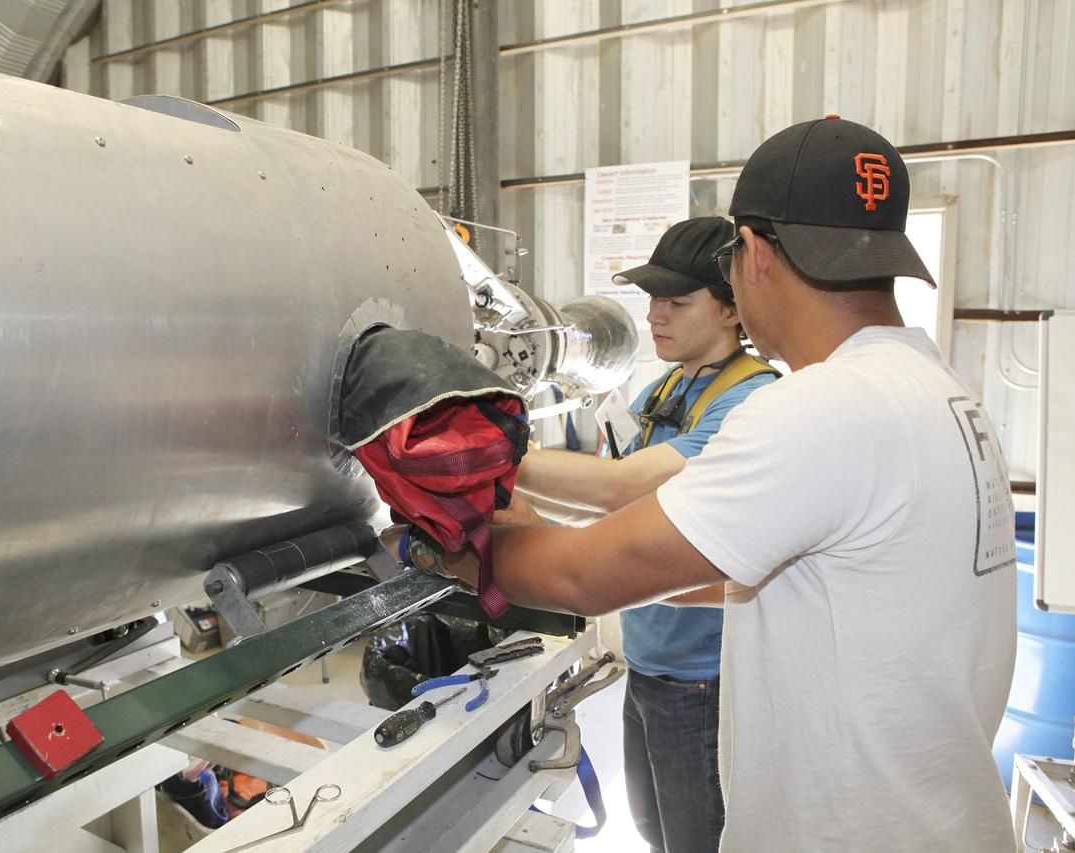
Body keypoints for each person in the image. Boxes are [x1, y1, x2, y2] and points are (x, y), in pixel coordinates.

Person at [398, 116, 1018, 852]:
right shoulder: (940, 393)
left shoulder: (822, 408)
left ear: (751, 255)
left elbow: (585, 575)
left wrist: (440, 548)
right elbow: (758, 574)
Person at [512, 216, 776, 853]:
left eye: (678, 302)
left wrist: (489, 455)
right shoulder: (667, 386)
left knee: (699, 842)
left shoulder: (749, 403)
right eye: (653, 300)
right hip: (650, 665)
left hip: (704, 681)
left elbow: (618, 488)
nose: (656, 316)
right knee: (655, 833)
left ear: (732, 310)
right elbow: (608, 510)